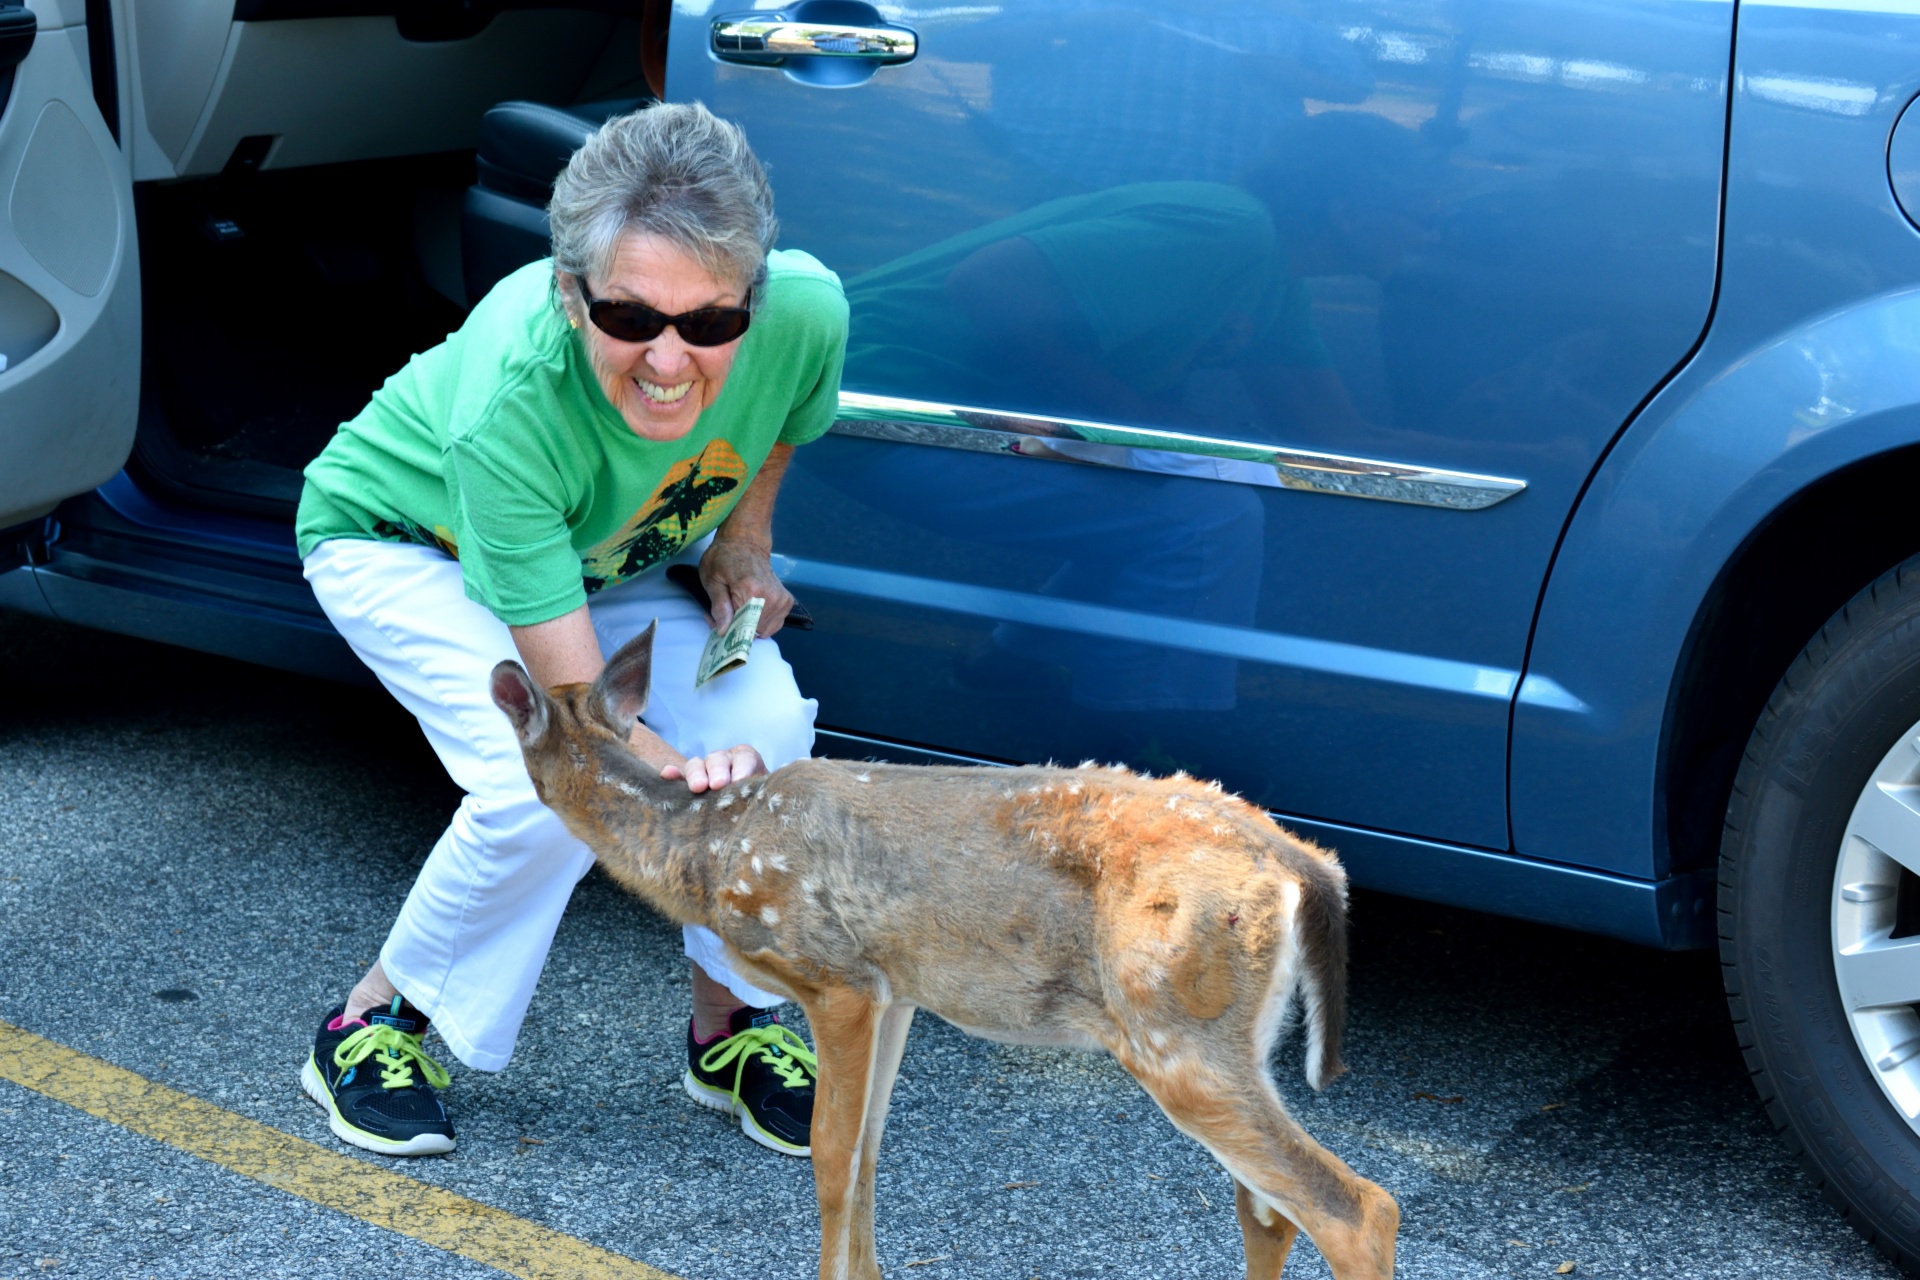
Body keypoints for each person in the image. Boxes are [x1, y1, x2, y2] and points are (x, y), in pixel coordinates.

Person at [291, 101, 848, 1158]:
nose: (672, 361)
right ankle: (371, 1021)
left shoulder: (806, 312)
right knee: (549, 781)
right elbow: (583, 721)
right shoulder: (510, 401)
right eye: (631, 319)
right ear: (568, 291)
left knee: (769, 722)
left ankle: (729, 1027)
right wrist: (679, 770)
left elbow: (780, 420)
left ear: (753, 302)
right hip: (410, 539)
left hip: (599, 548)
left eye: (711, 324)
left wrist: (741, 545)